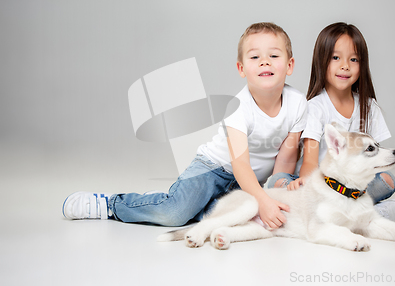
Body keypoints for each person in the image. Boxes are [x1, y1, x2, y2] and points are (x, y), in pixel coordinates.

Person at [63, 22, 307, 229]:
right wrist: (263, 201)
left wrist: (272, 194)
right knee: (175, 215)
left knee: (237, 217)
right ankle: (112, 204)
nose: (265, 62)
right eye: (255, 57)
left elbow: (285, 160)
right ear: (241, 69)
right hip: (213, 169)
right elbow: (240, 165)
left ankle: (178, 201)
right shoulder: (238, 107)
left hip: (251, 181)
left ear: (290, 65)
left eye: (274, 56)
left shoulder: (297, 104)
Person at [266, 22, 395, 223]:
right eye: (335, 58)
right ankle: (370, 216)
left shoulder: (370, 107)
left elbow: (375, 159)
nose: (345, 66)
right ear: (321, 61)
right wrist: (306, 183)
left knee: (387, 180)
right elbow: (309, 161)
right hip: (320, 185)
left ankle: (344, 216)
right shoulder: (315, 107)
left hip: (353, 184)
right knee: (277, 181)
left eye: (354, 59)